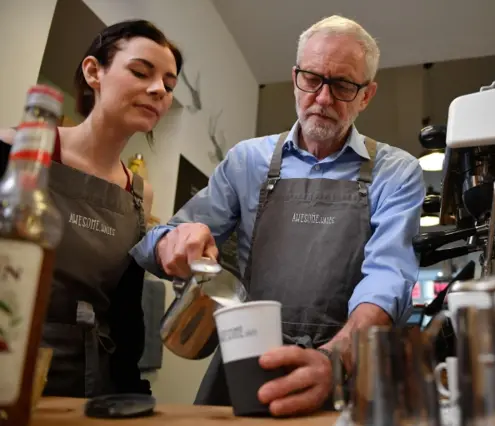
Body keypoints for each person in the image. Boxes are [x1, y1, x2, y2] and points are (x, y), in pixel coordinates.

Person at [131, 15, 425, 416]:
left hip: (341, 367)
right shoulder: (246, 161)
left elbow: (388, 275)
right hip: (245, 361)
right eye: (312, 79)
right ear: (295, 77)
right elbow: (156, 240)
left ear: (367, 95)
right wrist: (172, 242)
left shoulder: (397, 171)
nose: (322, 99)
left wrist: (336, 359)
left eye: (342, 85)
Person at [0, 20, 182, 397]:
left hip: (90, 385)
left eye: (169, 84)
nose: (158, 90)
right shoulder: (13, 150)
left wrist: (133, 392)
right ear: (93, 71)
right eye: (140, 72)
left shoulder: (139, 195)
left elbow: (125, 312)